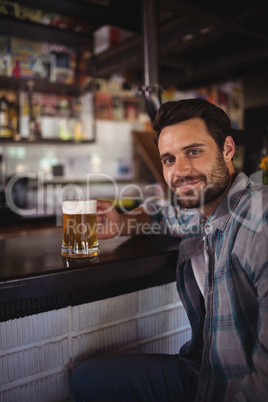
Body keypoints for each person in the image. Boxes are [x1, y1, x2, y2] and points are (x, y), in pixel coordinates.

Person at [71, 98, 268, 402]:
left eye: (193, 152)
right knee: (88, 377)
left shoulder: (260, 218)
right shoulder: (209, 209)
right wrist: (121, 222)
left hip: (238, 387)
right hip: (204, 373)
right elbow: (164, 215)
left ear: (227, 149)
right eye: (169, 159)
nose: (181, 171)